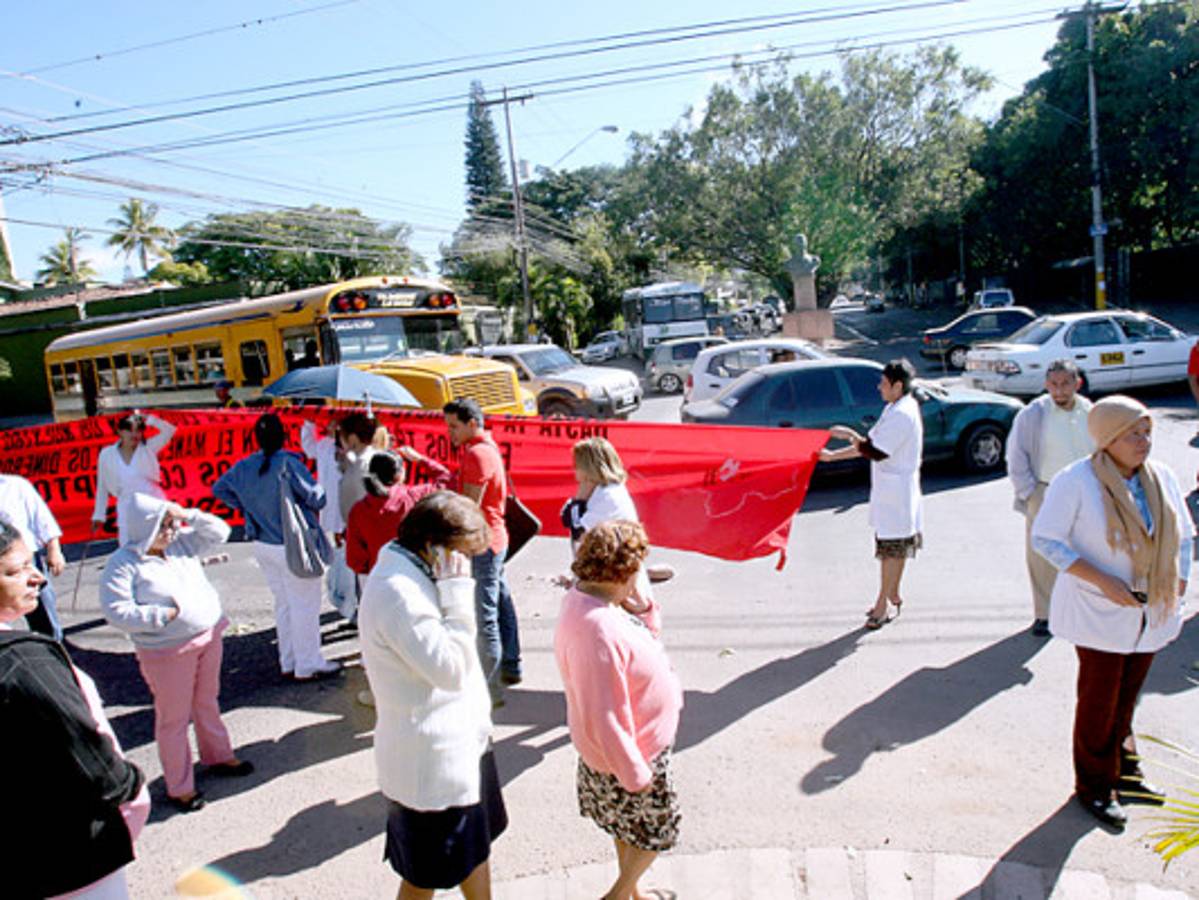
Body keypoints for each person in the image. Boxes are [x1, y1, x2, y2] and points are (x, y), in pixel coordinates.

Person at [1032, 395, 1191, 830]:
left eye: (1147, 433)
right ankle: (1094, 787)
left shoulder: (1161, 478)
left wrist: (1180, 581)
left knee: (1127, 697)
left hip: (1152, 609)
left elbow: (1183, 537)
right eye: (1132, 434)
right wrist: (1101, 579)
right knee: (1099, 703)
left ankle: (1126, 773)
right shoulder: (1076, 480)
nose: (1143, 442)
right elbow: (1046, 539)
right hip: (1099, 611)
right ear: (1107, 438)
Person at [358, 491, 507, 899]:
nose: (468, 564)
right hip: (432, 762)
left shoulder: (418, 567)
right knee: (426, 875)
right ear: (433, 546)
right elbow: (451, 669)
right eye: (465, 554)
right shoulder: (398, 593)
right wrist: (459, 592)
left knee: (474, 850)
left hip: (462, 747)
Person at [0, 520, 151, 898]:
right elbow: (89, 757)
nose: (37, 577)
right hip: (72, 857)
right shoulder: (25, 661)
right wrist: (130, 786)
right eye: (17, 570)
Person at [99, 494, 253, 814]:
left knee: (207, 702)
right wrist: (161, 617)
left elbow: (220, 531)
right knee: (174, 718)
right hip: (166, 651)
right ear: (144, 528)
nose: (171, 530)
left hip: (208, 636)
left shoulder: (181, 543)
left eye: (171, 524)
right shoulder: (123, 563)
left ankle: (219, 756)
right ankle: (180, 786)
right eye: (163, 525)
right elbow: (116, 611)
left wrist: (186, 514)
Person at [554, 521, 682, 900]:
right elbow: (603, 714)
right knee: (658, 833)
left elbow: (639, 641)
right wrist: (635, 774)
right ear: (622, 572)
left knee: (625, 828)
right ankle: (618, 895)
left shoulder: (589, 600)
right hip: (631, 754)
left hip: (623, 750)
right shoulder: (598, 630)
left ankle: (633, 894)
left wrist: (643, 611)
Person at [214, 414, 341, 681]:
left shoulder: (244, 466)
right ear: (283, 436)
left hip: (262, 542)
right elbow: (317, 499)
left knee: (284, 604)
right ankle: (308, 663)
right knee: (305, 605)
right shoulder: (288, 463)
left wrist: (248, 507)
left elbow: (220, 489)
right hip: (293, 544)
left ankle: (289, 660)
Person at [818, 359, 923, 630]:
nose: (879, 388)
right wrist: (833, 455)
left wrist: (848, 436)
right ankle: (893, 593)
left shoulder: (902, 414)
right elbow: (870, 445)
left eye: (883, 383)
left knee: (891, 550)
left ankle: (882, 604)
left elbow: (874, 450)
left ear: (897, 386)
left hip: (897, 494)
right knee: (894, 547)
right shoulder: (895, 407)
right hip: (892, 491)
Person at [1006, 359, 1094, 636]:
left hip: (1085, 489)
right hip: (1045, 489)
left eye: (1066, 383)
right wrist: (1029, 493)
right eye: (1054, 384)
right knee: (1042, 554)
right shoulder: (1033, 414)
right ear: (1046, 385)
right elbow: (1016, 455)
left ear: (1077, 383)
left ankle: (1083, 610)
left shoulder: (1089, 411)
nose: (1060, 390)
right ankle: (1044, 614)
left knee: (1086, 550)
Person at [444, 399, 521, 703]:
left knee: (484, 615)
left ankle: (490, 690)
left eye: (454, 426)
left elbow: (468, 507)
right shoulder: (486, 448)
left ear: (472, 423)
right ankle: (511, 665)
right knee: (501, 602)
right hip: (495, 538)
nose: (450, 433)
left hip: (482, 543)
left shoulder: (476, 454)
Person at [346, 447, 453, 577]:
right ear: (399, 474)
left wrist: (374, 567)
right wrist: (420, 459)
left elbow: (354, 559)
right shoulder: (414, 497)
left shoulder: (358, 510)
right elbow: (448, 480)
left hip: (375, 578)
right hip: (413, 574)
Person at [92, 412, 178, 545]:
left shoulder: (148, 447)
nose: (134, 435)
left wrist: (149, 419)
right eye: (129, 430)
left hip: (153, 503)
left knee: (159, 543)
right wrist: (99, 515)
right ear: (120, 432)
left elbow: (170, 430)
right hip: (126, 506)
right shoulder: (106, 454)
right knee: (127, 546)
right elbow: (102, 486)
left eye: (138, 430)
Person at [0, 472, 67, 640]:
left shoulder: (16, 486)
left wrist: (54, 550)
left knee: (42, 613)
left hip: (25, 560)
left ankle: (52, 648)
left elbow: (42, 519)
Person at [301, 418, 356, 621]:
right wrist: (308, 422)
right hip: (331, 510)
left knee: (351, 558)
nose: (332, 427)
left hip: (349, 509)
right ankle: (347, 603)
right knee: (340, 554)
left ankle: (352, 605)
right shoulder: (323, 445)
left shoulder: (352, 450)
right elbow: (308, 447)